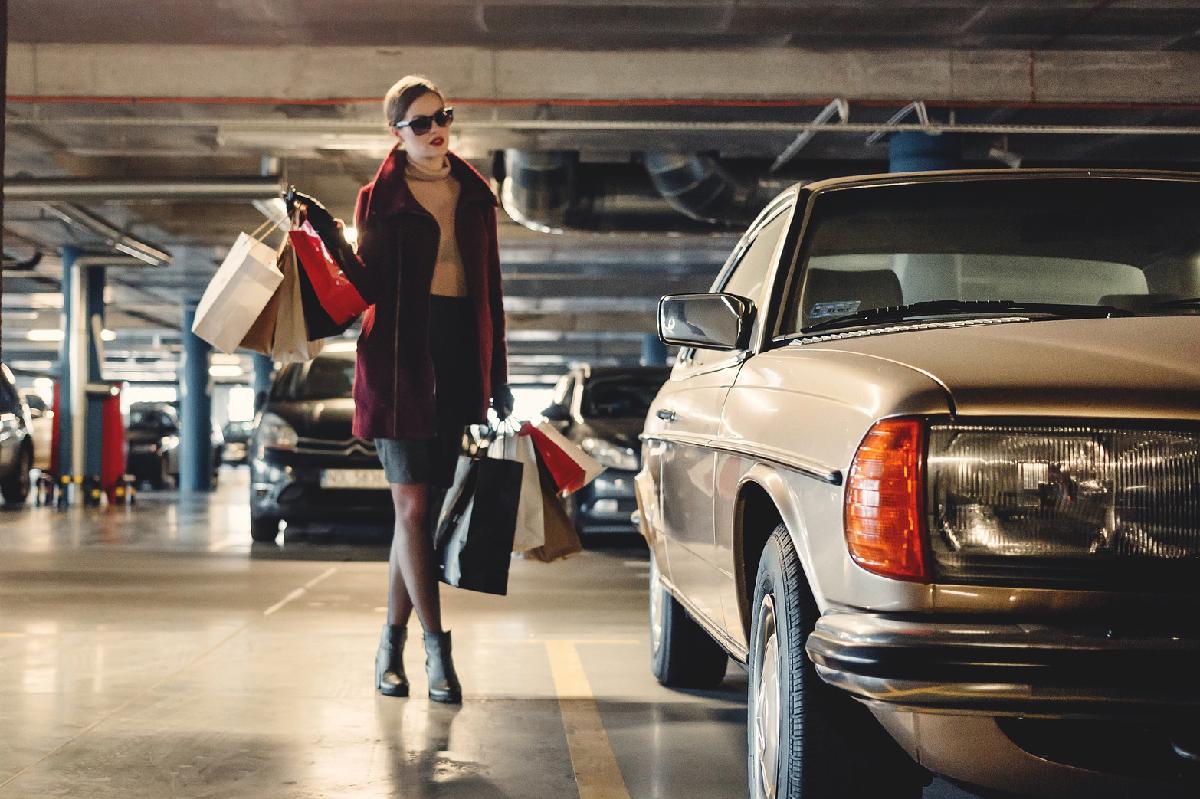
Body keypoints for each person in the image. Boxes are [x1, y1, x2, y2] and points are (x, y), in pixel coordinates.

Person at [299, 75, 513, 703]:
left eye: (441, 117)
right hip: (397, 360)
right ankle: (436, 651)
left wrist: (497, 375)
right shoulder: (379, 198)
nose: (435, 128)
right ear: (396, 132)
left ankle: (386, 647)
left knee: (418, 515)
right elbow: (360, 279)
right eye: (419, 122)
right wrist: (321, 228)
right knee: (413, 510)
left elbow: (490, 292)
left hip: (456, 356)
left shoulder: (473, 197)